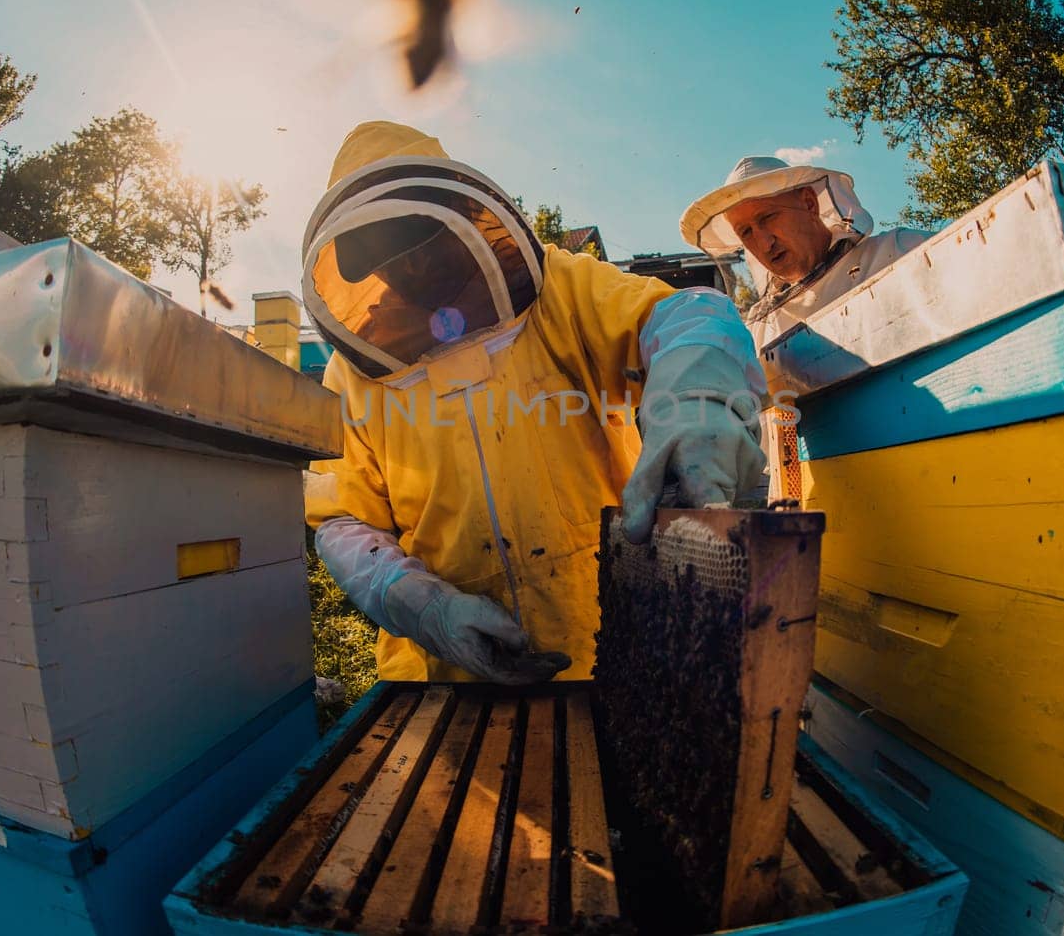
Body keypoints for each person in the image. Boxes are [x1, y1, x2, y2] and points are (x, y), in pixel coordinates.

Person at [303, 121, 768, 685]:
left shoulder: (561, 290)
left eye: (414, 240)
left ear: (456, 212)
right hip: (445, 674)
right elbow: (342, 517)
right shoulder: (355, 372)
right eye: (383, 257)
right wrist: (423, 606)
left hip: (610, 645)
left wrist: (699, 397)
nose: (407, 268)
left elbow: (685, 315)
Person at [680, 155, 933, 499]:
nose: (763, 242)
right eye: (747, 233)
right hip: (810, 521)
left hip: (923, 479)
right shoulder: (759, 329)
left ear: (810, 203)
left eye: (768, 217)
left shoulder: (897, 254)